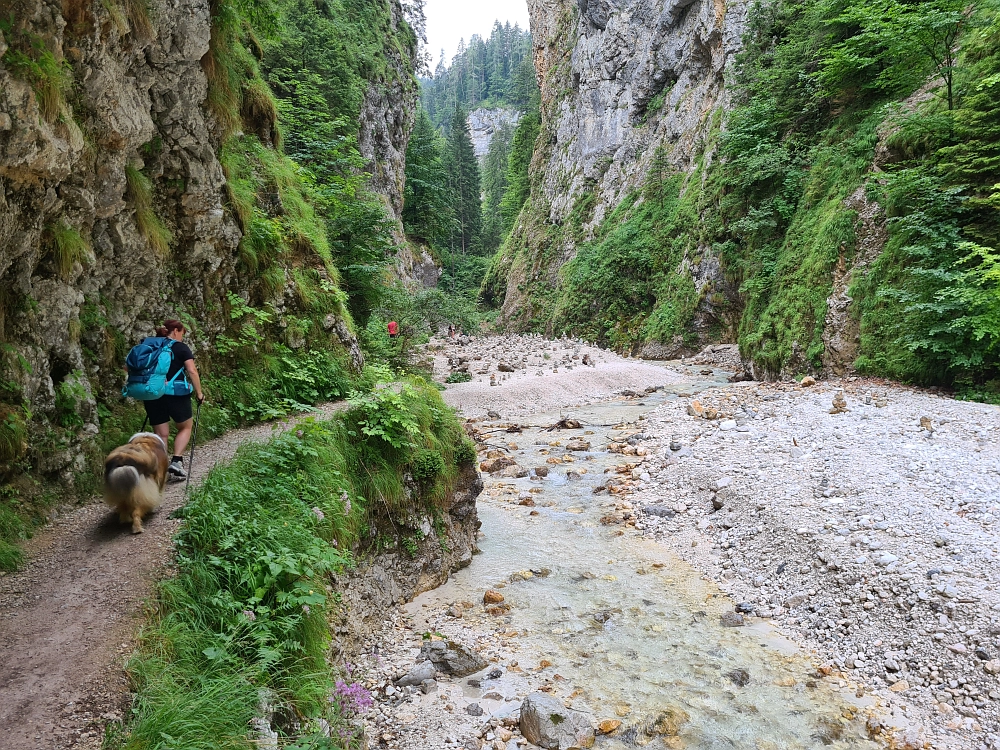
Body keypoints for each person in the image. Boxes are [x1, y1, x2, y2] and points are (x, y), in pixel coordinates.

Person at [144, 320, 204, 480]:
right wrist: (199, 393)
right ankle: (176, 461)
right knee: (185, 427)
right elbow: (191, 370)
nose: (182, 338)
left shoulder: (149, 345)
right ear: (176, 331)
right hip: (175, 393)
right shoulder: (180, 348)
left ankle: (161, 469)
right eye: (182, 334)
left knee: (161, 433)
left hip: (152, 393)